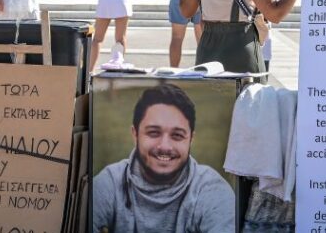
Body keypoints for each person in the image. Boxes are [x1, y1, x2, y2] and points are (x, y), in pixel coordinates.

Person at [92, 83, 235, 233]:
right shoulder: (110, 182)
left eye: (177, 135)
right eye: (154, 133)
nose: (165, 146)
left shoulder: (212, 190)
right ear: (135, 134)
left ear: (191, 139)